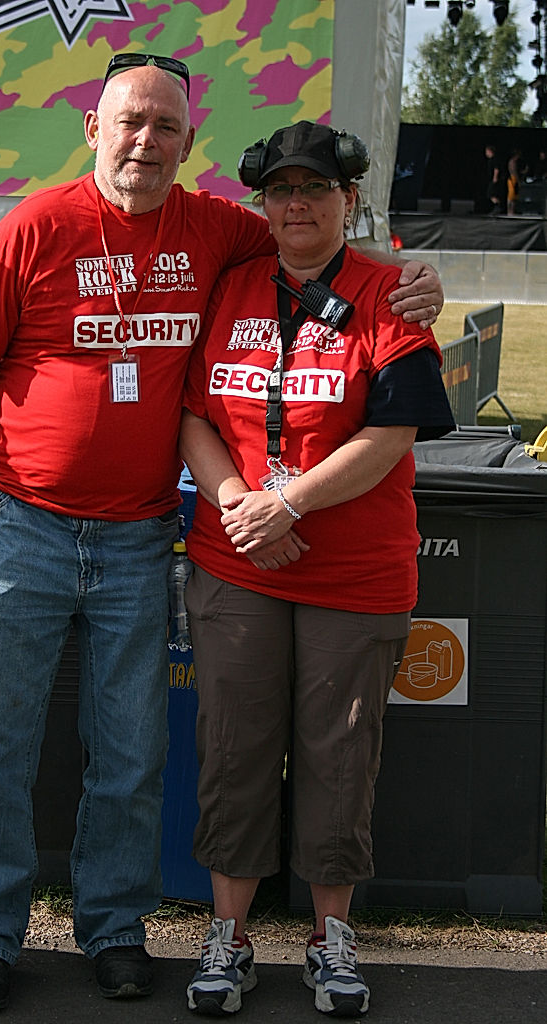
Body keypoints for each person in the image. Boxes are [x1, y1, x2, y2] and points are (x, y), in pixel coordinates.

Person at [0, 53, 444, 1012]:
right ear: (94, 127)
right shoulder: (36, 226)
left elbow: (315, 241)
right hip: (19, 522)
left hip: (138, 535)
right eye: (130, 121)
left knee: (130, 753)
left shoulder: (220, 230)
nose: (146, 141)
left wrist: (418, 282)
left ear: (189, 144)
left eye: (166, 127)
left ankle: (115, 928)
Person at [179, 121, 455, 1018]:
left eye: (316, 187)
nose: (297, 203)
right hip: (239, 562)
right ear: (263, 203)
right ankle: (229, 935)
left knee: (340, 757)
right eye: (282, 189)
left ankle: (331, 937)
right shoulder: (229, 287)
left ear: (349, 199)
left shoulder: (390, 296)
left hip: (353, 575)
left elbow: (393, 433)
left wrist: (288, 505)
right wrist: (241, 505)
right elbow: (194, 417)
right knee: (234, 748)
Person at [484, 143, 503, 215]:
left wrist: (495, 177)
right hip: (491, 179)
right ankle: (497, 206)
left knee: (491, 194)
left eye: (487, 151)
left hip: (494, 179)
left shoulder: (494, 159)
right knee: (491, 194)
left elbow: (496, 169)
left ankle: (498, 206)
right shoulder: (491, 160)